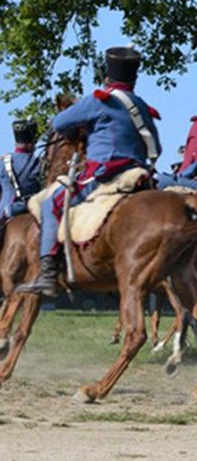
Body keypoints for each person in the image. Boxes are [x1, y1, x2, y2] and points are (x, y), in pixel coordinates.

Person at [19, 46, 161, 296]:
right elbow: (156, 148)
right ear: (134, 79)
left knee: (51, 204)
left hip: (104, 175)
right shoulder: (141, 106)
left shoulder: (99, 100)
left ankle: (48, 274)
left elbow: (59, 123)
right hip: (139, 175)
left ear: (108, 76)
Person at [0, 120, 43, 234]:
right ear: (31, 143)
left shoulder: (3, 162)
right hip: (35, 211)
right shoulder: (40, 163)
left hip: (8, 212)